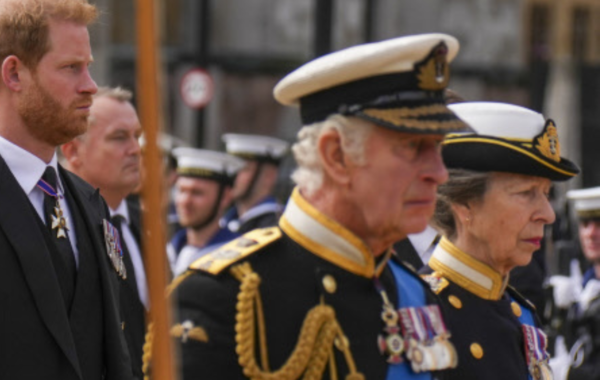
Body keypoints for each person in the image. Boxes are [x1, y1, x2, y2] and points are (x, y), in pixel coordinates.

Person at [157, 33, 470, 379]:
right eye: (413, 148)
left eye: (437, 149)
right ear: (335, 155)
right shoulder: (224, 296)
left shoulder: (412, 292)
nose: (439, 173)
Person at [0, 1, 133, 379]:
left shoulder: (88, 203)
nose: (90, 86)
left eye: (88, 66)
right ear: (14, 73)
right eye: (72, 67)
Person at [420, 101, 579, 380]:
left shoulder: (521, 315)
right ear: (465, 203)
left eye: (546, 193)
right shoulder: (420, 312)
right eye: (526, 193)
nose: (548, 214)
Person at [61, 86, 146, 379]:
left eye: (137, 136)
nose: (136, 149)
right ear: (73, 151)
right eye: (119, 138)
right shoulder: (62, 229)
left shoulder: (147, 226)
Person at [548, 187, 600, 380]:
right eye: (585, 224)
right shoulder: (583, 286)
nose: (590, 234)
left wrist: (569, 373)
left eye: (599, 224)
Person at [167, 148, 245, 276]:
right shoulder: (168, 249)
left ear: (225, 197)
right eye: (181, 191)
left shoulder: (237, 256)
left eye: (197, 193)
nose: (185, 201)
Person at [219, 134, 289, 234]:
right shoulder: (225, 222)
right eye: (231, 168)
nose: (232, 176)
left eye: (243, 169)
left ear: (268, 175)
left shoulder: (277, 226)